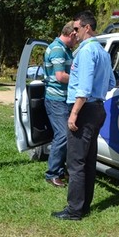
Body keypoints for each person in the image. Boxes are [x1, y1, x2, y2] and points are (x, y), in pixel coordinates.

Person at [54, 11, 115, 221]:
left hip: (85, 109)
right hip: (97, 108)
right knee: (88, 160)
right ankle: (83, 205)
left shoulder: (87, 51)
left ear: (87, 28)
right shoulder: (103, 52)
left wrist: (74, 113)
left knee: (76, 162)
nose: (74, 32)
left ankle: (74, 210)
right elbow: (111, 83)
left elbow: (84, 88)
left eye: (77, 28)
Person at [43, 21, 77, 187]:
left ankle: (61, 170)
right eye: (76, 38)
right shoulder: (57, 49)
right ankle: (53, 173)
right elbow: (60, 76)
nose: (77, 41)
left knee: (66, 136)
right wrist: (80, 80)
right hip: (56, 99)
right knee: (62, 135)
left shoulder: (65, 49)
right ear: (71, 35)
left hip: (63, 98)